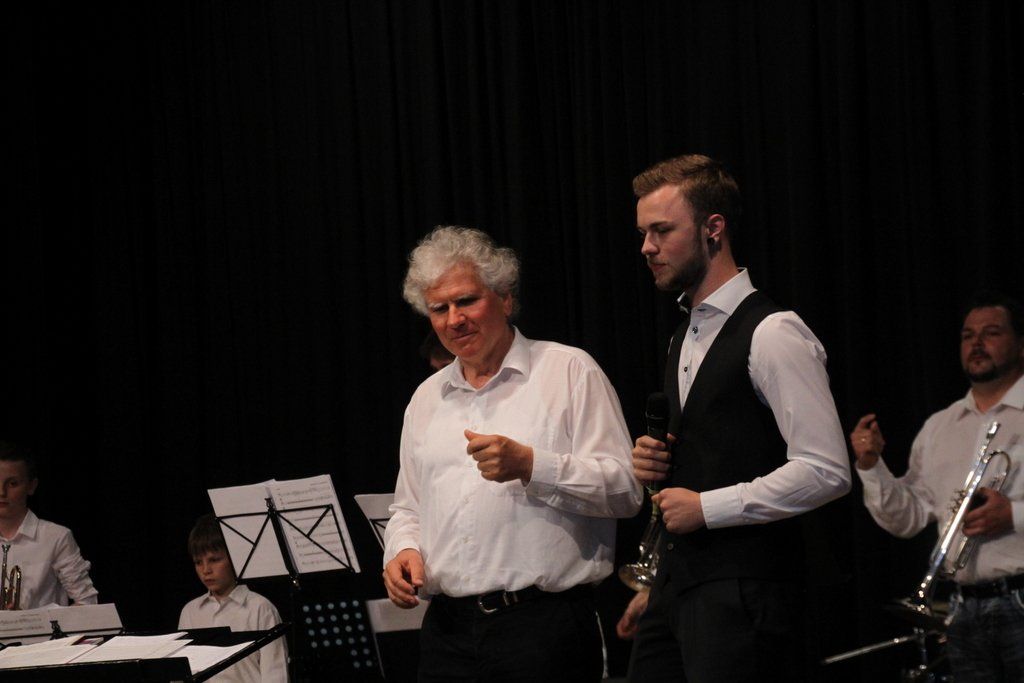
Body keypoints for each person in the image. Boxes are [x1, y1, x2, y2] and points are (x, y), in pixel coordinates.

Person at [626, 154, 851, 682]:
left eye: (662, 230)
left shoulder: (773, 332)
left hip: (746, 590)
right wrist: (656, 461)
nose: (647, 247)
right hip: (679, 586)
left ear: (713, 229)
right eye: (643, 233)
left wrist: (707, 507)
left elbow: (826, 470)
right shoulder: (683, 335)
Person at [383, 225, 642, 682]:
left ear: (505, 299)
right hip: (447, 634)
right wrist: (402, 550)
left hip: (542, 628)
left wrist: (531, 466)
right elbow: (408, 508)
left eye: (466, 301)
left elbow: (625, 490)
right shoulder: (426, 398)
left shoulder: (568, 370)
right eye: (439, 308)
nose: (454, 319)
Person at [850, 292, 1024, 682]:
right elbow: (907, 518)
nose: (977, 343)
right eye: (968, 335)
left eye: (992, 333)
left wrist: (1013, 514)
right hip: (964, 610)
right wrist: (871, 466)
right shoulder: (939, 427)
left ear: (1021, 345)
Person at [178, 513, 289, 682]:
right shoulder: (190, 612)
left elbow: (275, 673)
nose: (206, 570)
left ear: (234, 558)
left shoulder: (259, 608)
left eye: (214, 560)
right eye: (198, 562)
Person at [0, 440, 98, 609]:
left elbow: (87, 603)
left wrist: (33, 621)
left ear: (31, 486)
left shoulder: (56, 537)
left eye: (12, 483)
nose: (1, 492)